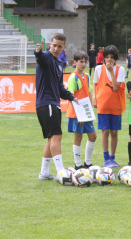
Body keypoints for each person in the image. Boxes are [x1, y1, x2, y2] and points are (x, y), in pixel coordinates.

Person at [35, 34, 79, 181]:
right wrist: (38, 52)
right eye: (54, 45)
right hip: (46, 103)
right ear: (50, 45)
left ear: (64, 48)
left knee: (51, 138)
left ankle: (44, 173)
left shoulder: (60, 63)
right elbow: (40, 58)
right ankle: (61, 173)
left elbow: (60, 87)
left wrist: (71, 97)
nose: (56, 48)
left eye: (59, 46)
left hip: (54, 103)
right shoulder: (46, 56)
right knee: (56, 136)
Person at [92, 45, 126, 168]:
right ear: (103, 58)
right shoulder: (98, 69)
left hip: (116, 105)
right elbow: (95, 84)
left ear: (116, 58)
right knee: (105, 131)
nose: (109, 60)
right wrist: (94, 98)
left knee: (114, 133)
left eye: (112, 57)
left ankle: (112, 158)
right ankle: (106, 158)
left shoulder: (120, 70)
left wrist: (111, 71)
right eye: (107, 57)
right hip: (103, 104)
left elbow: (116, 87)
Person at [66, 51, 97, 170]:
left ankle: (87, 162)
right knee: (78, 137)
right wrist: (79, 115)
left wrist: (89, 110)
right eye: (81, 61)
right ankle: (77, 164)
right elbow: (70, 96)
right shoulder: (73, 77)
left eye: (85, 62)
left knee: (93, 136)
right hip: (77, 114)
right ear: (75, 62)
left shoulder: (87, 76)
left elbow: (87, 93)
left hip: (86, 112)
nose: (83, 64)